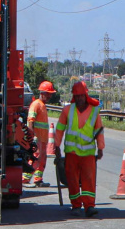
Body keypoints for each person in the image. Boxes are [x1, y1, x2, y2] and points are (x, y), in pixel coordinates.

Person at [54, 81, 104, 217]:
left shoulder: (94, 111)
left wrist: (100, 148)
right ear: (74, 97)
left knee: (89, 179)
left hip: (88, 153)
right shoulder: (67, 110)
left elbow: (99, 131)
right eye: (77, 96)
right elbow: (59, 129)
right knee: (72, 179)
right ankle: (76, 205)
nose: (79, 99)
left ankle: (89, 206)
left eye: (81, 96)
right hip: (72, 152)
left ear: (85, 95)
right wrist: (56, 146)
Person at [24, 81, 56, 187]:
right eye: (48, 94)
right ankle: (25, 178)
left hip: (42, 139)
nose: (50, 96)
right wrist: (31, 136)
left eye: (50, 94)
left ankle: (38, 179)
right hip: (37, 138)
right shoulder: (36, 104)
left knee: (42, 159)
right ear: (42, 93)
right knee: (35, 158)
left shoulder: (43, 105)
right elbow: (30, 121)